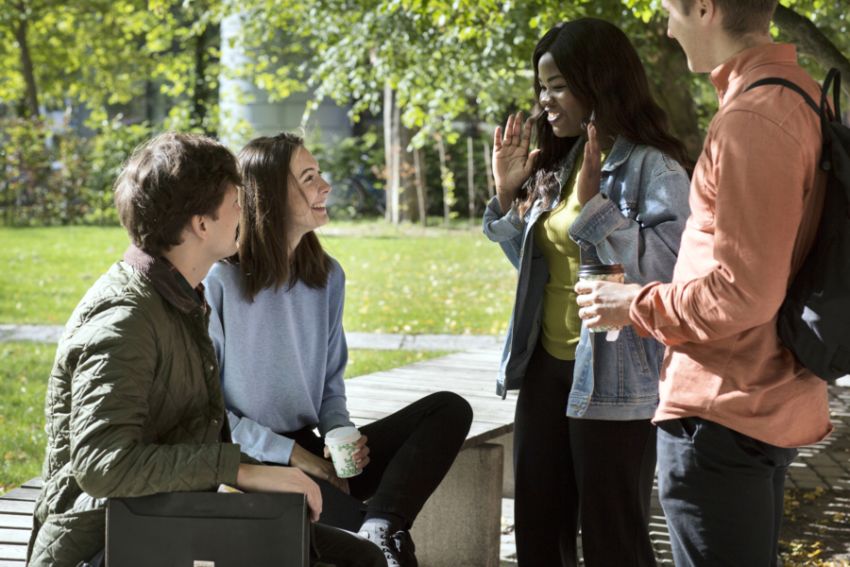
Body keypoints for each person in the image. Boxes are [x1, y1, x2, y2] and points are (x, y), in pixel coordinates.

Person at [27, 132, 386, 567]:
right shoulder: (124, 319)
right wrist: (240, 469)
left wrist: (262, 474)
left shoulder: (182, 297)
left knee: (358, 558)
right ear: (201, 224)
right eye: (237, 202)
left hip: (170, 514)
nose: (247, 211)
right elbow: (102, 464)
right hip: (106, 541)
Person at [574, 1, 833, 565]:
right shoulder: (799, 94)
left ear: (703, 8)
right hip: (757, 400)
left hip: (723, 411)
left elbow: (744, 292)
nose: (667, 27)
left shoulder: (753, 118)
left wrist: (631, 304)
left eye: (669, 10)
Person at [204, 132, 473, 567]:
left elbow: (330, 383)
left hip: (311, 448)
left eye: (319, 174)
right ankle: (376, 528)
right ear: (270, 193)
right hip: (253, 461)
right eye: (309, 178)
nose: (324, 186)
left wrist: (337, 438)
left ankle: (382, 524)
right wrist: (301, 458)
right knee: (367, 555)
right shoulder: (220, 281)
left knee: (449, 410)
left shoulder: (327, 276)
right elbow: (213, 416)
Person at [483, 18, 692, 567]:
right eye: (540, 88)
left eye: (556, 86)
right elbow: (539, 268)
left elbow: (670, 276)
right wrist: (507, 198)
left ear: (598, 83)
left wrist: (597, 206)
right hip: (546, 371)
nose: (544, 102)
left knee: (611, 541)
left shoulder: (656, 167)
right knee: (538, 532)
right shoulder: (559, 160)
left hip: (615, 379)